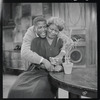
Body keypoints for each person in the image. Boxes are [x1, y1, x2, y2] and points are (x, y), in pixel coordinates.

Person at [7, 17, 66, 98]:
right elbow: (25, 53)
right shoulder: (34, 40)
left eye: (44, 27)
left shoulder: (59, 39)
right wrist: (44, 62)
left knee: (38, 91)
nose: (52, 32)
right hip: (36, 70)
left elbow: (68, 44)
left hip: (52, 73)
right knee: (14, 89)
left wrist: (60, 57)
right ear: (35, 28)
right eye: (40, 27)